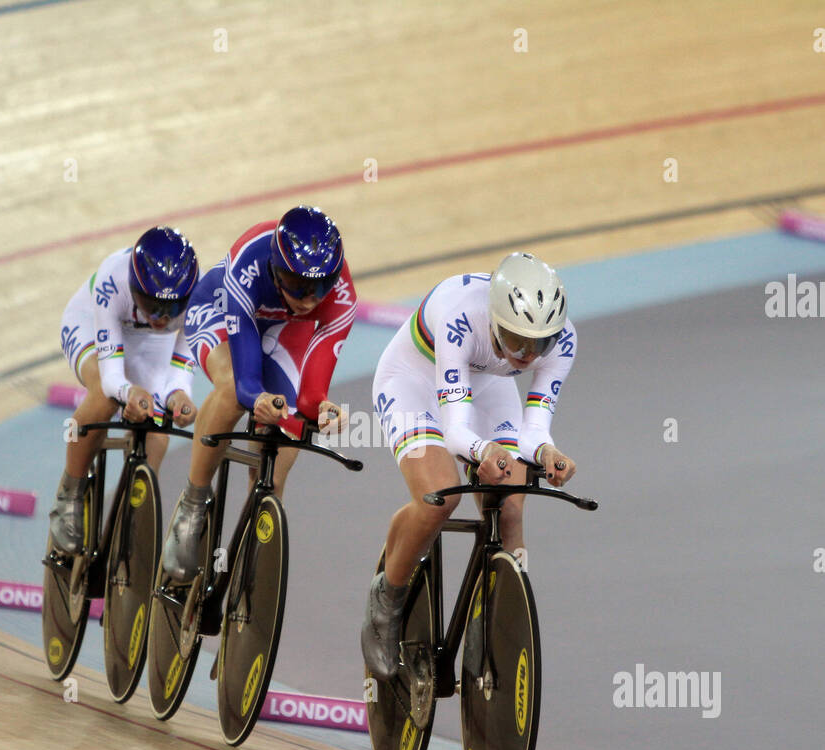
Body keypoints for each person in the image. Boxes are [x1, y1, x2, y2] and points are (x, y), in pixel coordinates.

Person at [361, 253, 578, 687]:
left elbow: (534, 430)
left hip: (485, 386)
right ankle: (387, 600)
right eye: (518, 341)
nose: (528, 355)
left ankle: (496, 622)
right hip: (414, 382)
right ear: (495, 320)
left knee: (511, 506)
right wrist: (485, 450)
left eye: (539, 344)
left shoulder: (564, 340)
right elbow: (457, 431)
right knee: (441, 495)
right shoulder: (461, 317)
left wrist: (548, 452)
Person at [161, 205, 354, 582]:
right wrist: (258, 398)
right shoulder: (250, 259)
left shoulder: (342, 294)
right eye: (299, 285)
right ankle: (193, 503)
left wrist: (324, 408)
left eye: (320, 288)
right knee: (234, 390)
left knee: (291, 418)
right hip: (221, 311)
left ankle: (258, 527)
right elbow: (249, 380)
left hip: (283, 327)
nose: (310, 300)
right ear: (275, 268)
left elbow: (314, 392)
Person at [49, 226, 200, 554]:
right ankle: (70, 494)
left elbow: (179, 370)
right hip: (91, 324)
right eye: (152, 304)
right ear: (135, 288)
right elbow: (112, 376)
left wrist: (179, 398)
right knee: (104, 398)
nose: (161, 316)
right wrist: (129, 393)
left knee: (158, 424)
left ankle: (134, 513)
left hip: (148, 343)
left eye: (171, 308)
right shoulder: (112, 280)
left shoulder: (199, 299)